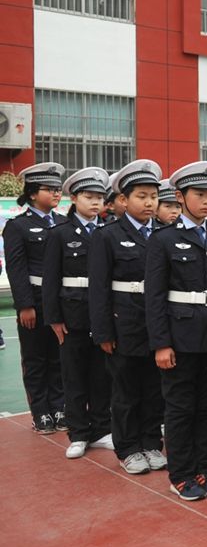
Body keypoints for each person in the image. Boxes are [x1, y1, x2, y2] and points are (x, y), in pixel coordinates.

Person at [145, 161, 207, 500]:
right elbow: (154, 297)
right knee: (181, 408)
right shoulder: (163, 239)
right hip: (180, 338)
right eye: (200, 194)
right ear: (180, 197)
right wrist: (161, 343)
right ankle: (181, 473)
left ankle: (203, 469)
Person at [89, 160, 166, 475]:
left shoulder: (163, 234)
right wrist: (103, 332)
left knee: (154, 389)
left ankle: (151, 442)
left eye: (153, 196)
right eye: (141, 196)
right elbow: (98, 288)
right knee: (125, 390)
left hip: (157, 324)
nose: (149, 203)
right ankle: (128, 447)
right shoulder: (107, 236)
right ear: (123, 199)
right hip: (125, 323)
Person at [42, 167, 113, 459]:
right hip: (73, 315)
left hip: (104, 315)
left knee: (102, 375)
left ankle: (101, 429)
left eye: (99, 197)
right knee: (73, 376)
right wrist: (54, 318)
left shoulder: (109, 231)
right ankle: (79, 433)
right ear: (73, 198)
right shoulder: (60, 233)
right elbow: (50, 279)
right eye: (88, 196)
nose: (95, 202)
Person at [3, 163, 67, 434]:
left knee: (59, 356)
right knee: (35, 357)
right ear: (32, 193)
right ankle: (40, 411)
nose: (56, 193)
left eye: (58, 189)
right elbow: (16, 270)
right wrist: (25, 305)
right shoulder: (18, 226)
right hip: (36, 300)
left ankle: (60, 407)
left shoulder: (64, 223)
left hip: (61, 301)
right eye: (49, 189)